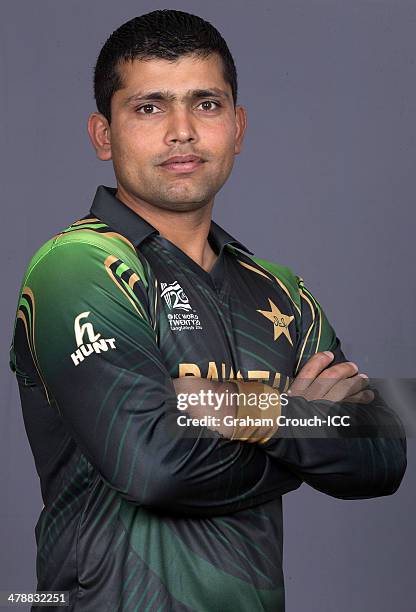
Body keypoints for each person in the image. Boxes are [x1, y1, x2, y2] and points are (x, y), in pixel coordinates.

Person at [9, 9, 406, 612]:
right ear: (103, 135)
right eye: (148, 107)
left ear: (238, 127)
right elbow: (153, 468)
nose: (182, 131)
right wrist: (296, 416)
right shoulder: (81, 267)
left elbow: (382, 457)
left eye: (206, 104)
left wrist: (244, 411)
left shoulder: (281, 293)